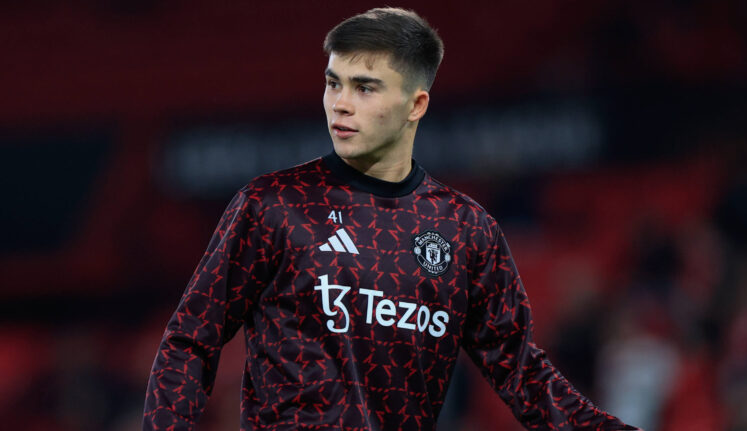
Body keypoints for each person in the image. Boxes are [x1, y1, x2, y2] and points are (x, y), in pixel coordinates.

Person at [144, 7, 639, 431]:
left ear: (415, 104)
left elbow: (522, 374)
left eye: (365, 88)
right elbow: (190, 341)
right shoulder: (274, 204)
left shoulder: (466, 230)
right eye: (333, 83)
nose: (340, 103)